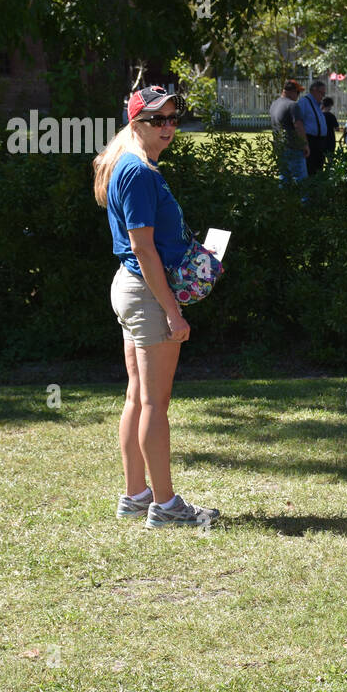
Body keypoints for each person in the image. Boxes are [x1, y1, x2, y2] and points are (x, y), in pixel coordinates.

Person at [92, 86, 220, 529]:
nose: (168, 127)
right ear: (135, 123)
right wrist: (172, 311)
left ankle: (135, 494)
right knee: (155, 404)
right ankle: (165, 506)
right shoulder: (140, 173)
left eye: (172, 118)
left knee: (138, 397)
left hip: (131, 287)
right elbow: (143, 248)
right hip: (147, 292)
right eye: (156, 120)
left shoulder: (126, 164)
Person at [270, 81, 307, 184]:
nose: (298, 96)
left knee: (284, 179)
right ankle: (304, 200)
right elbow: (298, 126)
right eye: (298, 93)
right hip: (293, 147)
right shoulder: (292, 105)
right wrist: (305, 145)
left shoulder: (274, 104)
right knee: (301, 180)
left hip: (280, 147)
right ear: (292, 92)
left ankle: (284, 199)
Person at [299, 79, 332, 176]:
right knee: (310, 168)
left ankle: (316, 188)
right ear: (314, 90)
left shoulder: (317, 104)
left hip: (320, 142)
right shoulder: (304, 102)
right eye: (321, 93)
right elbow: (298, 122)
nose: (323, 96)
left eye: (324, 93)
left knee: (319, 168)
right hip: (311, 140)